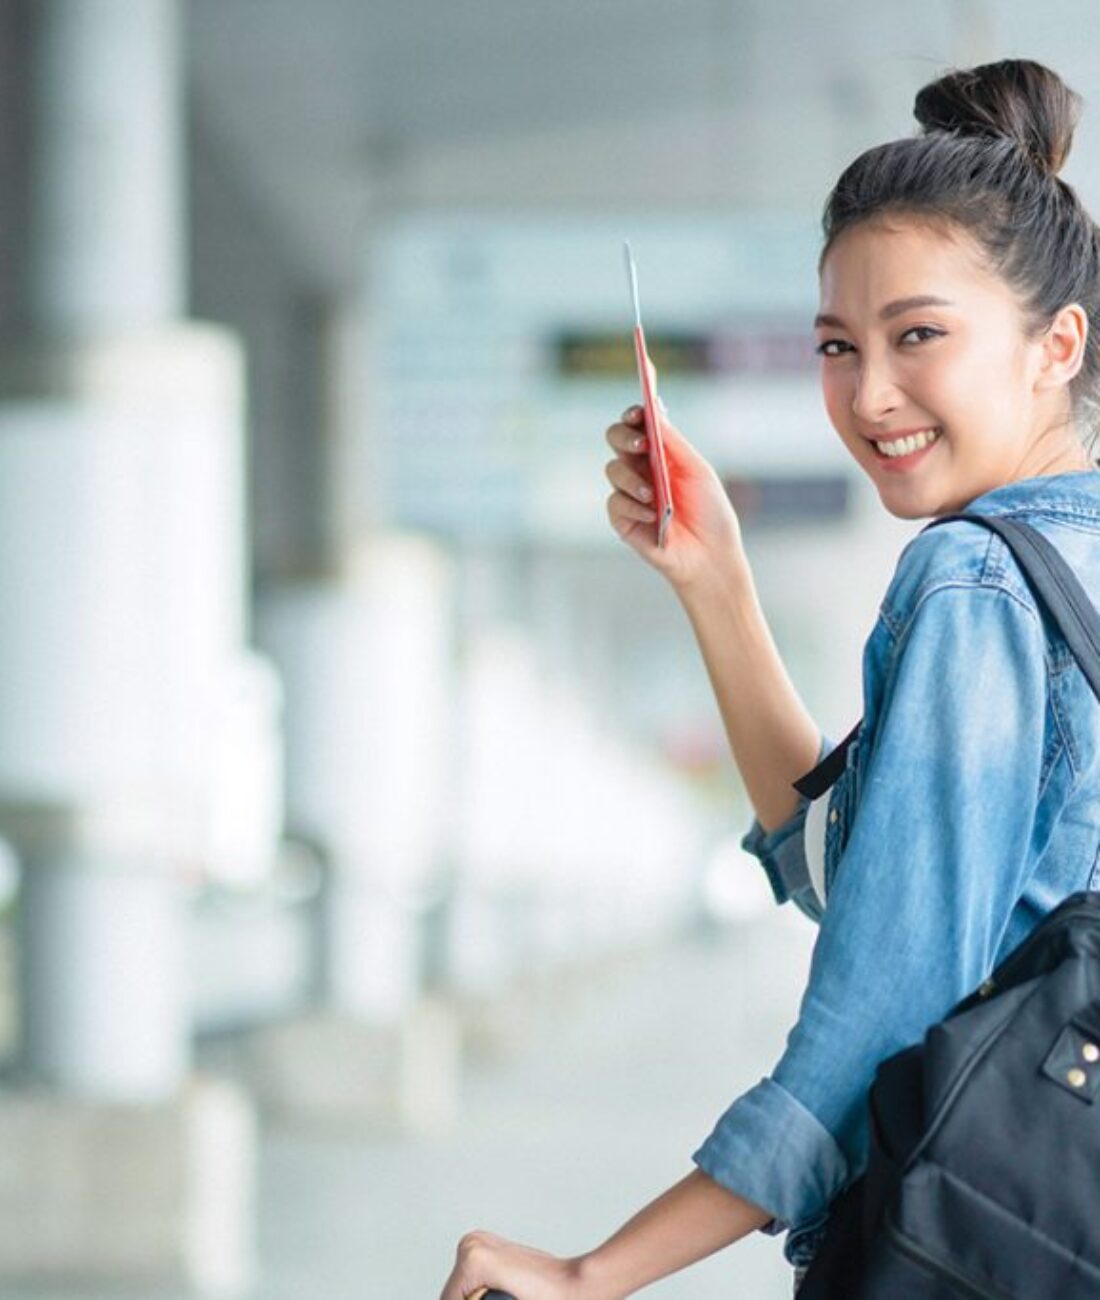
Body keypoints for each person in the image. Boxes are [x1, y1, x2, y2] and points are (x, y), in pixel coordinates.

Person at [439, 57, 1100, 1300]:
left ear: (1053, 344)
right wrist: (716, 583)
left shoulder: (973, 580)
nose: (867, 395)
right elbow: (873, 882)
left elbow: (879, 1012)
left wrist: (592, 1271)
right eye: (835, 346)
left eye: (917, 336)